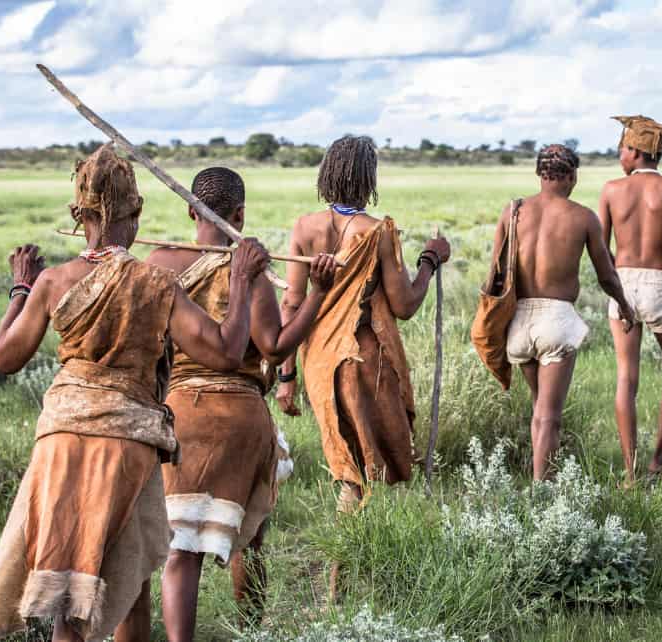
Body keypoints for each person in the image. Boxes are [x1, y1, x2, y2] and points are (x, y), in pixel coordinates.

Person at [0, 145, 271, 642]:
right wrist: (241, 280)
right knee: (102, 587)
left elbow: (5, 358)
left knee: (77, 582)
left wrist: (21, 288)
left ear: (79, 215)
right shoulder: (153, 283)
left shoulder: (53, 282)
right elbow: (225, 351)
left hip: (60, 443)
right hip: (126, 446)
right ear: (135, 213)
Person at [144, 167, 336, 641]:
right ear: (241, 213)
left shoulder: (158, 262)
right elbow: (274, 347)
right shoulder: (249, 270)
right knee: (249, 541)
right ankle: (251, 632)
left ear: (191, 210)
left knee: (180, 549)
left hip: (179, 414)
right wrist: (319, 294)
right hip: (242, 418)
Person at [275, 135, 450, 512]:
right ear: (368, 178)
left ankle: (353, 550)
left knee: (348, 467)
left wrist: (286, 378)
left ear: (327, 175)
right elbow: (404, 305)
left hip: (319, 362)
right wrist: (430, 261)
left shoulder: (304, 227)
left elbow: (291, 304)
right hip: (365, 357)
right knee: (371, 467)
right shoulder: (377, 231)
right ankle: (354, 552)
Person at [491, 143, 635, 481]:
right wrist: (625, 306)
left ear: (539, 174)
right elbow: (606, 274)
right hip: (555, 320)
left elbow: (496, 272)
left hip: (519, 323)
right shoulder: (583, 217)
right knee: (548, 415)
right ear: (571, 175)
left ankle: (546, 481)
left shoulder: (512, 211)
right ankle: (543, 492)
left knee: (540, 409)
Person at [599, 116, 662, 484]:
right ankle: (659, 457)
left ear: (639, 151)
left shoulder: (611, 190)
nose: (619, 153)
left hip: (622, 281)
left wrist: (616, 288)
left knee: (627, 377)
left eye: (623, 147)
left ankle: (630, 471)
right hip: (658, 283)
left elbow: (602, 250)